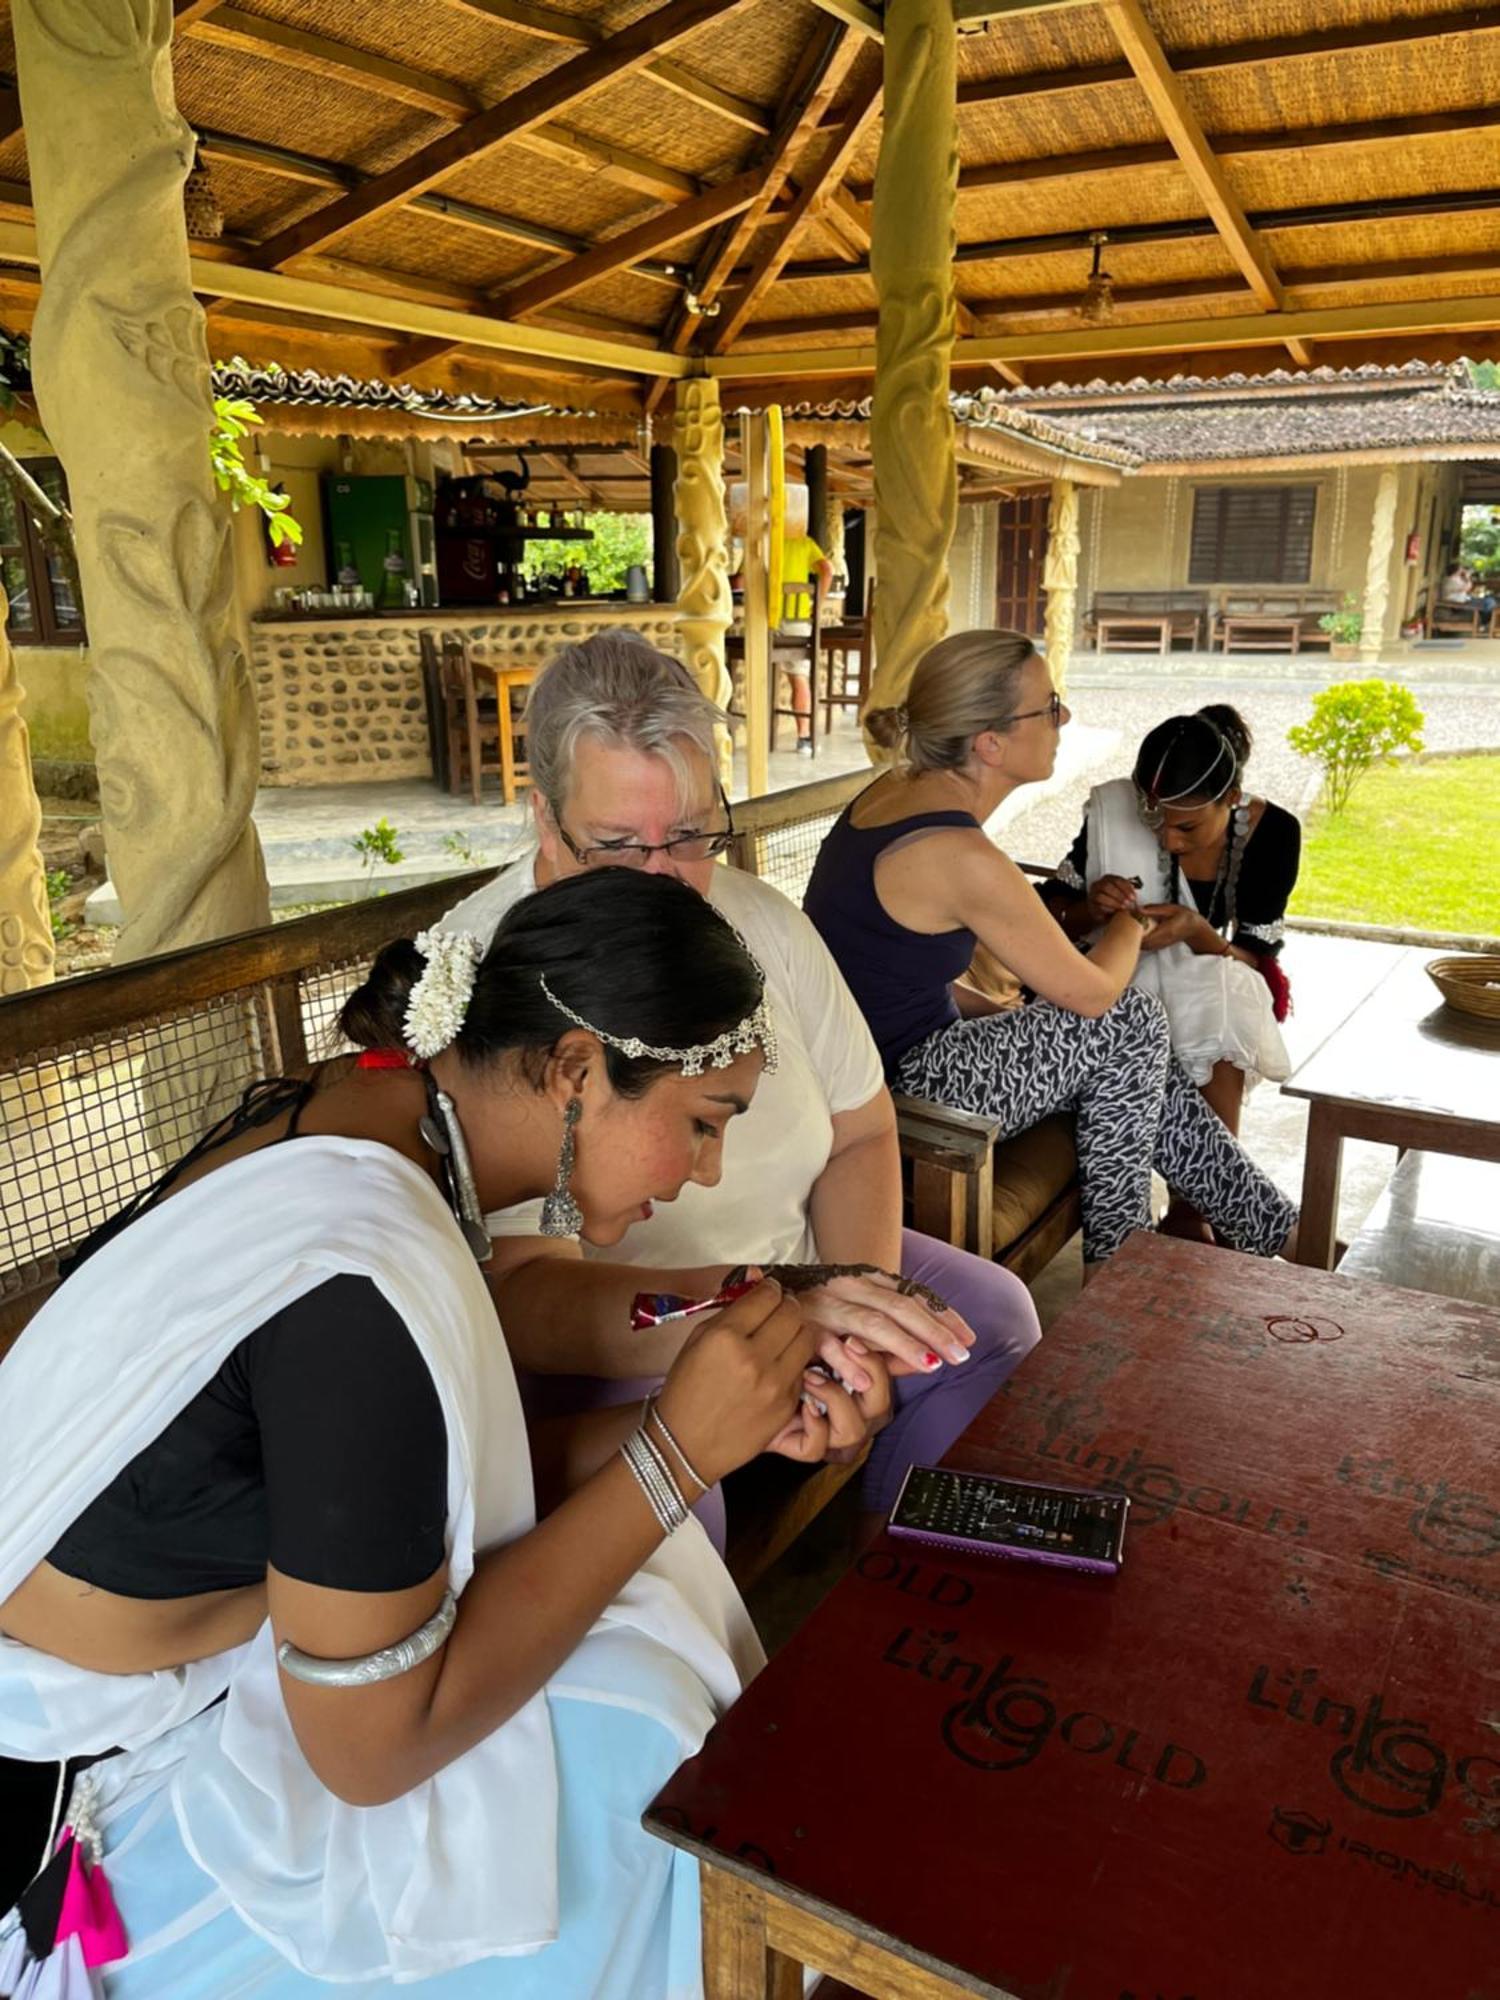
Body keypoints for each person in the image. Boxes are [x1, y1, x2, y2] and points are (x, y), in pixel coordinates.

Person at [0, 870, 839, 1997]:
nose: (708, 1171)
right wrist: (674, 1455)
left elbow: (422, 1496)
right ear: (576, 1069)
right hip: (72, 1772)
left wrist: (712, 1430)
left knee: (651, 1595)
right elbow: (371, 1752)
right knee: (630, 1738)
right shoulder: (359, 1284)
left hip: (208, 1647)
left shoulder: (371, 1104)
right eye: (700, 1124)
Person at [441, 631, 1042, 1538]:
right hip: (636, 1326)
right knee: (682, 1488)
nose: (663, 882)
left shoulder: (756, 919)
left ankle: (914, 1598)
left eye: (687, 836)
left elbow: (861, 1129)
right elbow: (522, 1291)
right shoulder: (481, 982)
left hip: (800, 1272)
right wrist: (765, 1321)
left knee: (987, 1319)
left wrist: (857, 1312)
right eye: (616, 844)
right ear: (544, 822)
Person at [802, 630, 1300, 1272]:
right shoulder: (957, 854)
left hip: (890, 1059)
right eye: (1049, 705)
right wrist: (1131, 922)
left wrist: (1005, 1015)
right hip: (900, 1089)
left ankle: (1270, 1228)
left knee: (1136, 1060)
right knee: (1132, 1022)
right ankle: (1129, 1264)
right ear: (991, 742)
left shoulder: (896, 794)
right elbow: (1093, 993)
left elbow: (885, 969)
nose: (1063, 717)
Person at [1041, 707, 1300, 1239]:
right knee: (1177, 1004)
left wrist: (1194, 930)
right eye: (1153, 820)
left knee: (1221, 993)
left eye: (1187, 826)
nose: (1167, 841)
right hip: (1108, 981)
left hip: (1218, 988)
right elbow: (1051, 917)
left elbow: (1256, 966)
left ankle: (1195, 1206)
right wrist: (1095, 908)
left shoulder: (1274, 834)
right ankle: (1217, 1203)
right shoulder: (1111, 812)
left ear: (1232, 799)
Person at [779, 531, 833, 753]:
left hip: (763, 622)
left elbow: (741, 581)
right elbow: (827, 570)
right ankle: (804, 737)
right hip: (796, 620)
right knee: (799, 677)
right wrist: (817, 603)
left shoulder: (762, 540)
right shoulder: (803, 542)